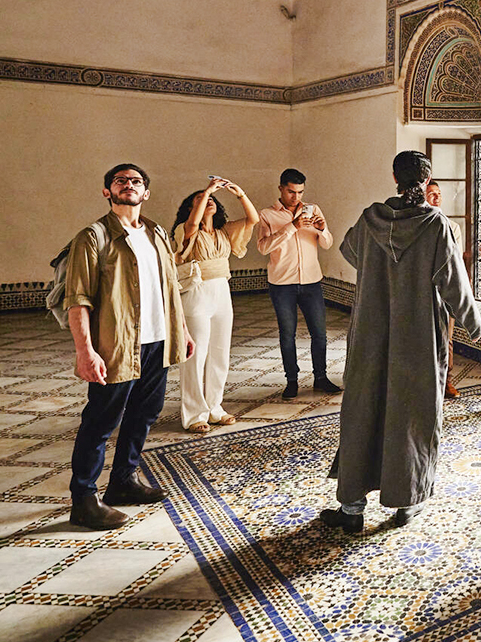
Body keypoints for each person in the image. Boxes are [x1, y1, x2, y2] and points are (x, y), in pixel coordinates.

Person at [322, 152, 481, 532]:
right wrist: (475, 326)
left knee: (363, 410)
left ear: (394, 177)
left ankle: (351, 510)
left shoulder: (369, 219)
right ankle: (406, 505)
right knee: (410, 416)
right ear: (427, 182)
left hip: (369, 336)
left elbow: (349, 252)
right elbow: (455, 286)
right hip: (417, 339)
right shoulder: (435, 226)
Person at [62, 164, 193, 530]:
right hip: (117, 345)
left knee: (144, 414)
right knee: (101, 421)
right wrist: (85, 351)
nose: (129, 185)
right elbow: (78, 300)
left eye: (136, 181)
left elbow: (170, 286)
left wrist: (180, 329)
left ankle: (123, 481)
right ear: (108, 191)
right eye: (120, 181)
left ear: (146, 193)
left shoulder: (156, 233)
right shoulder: (93, 237)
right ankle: (84, 499)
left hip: (158, 341)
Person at [173, 177, 260, 433]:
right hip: (196, 293)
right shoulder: (184, 229)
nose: (208, 199)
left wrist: (240, 193)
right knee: (195, 355)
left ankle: (214, 407)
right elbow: (191, 226)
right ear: (190, 208)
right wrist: (208, 189)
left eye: (211, 198)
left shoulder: (224, 232)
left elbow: (253, 220)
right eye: (199, 199)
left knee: (219, 353)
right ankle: (193, 414)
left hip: (222, 291)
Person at [256, 168, 340, 399]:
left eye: (300, 192)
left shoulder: (313, 210)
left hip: (312, 282)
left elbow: (327, 244)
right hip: (281, 284)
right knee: (287, 334)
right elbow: (263, 247)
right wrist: (292, 226)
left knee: (320, 334)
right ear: (281, 188)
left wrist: (322, 230)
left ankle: (320, 377)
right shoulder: (267, 214)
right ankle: (291, 381)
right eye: (292, 192)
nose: (296, 197)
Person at [426, 179, 462, 400]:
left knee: (446, 338)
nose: (436, 197)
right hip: (420, 292)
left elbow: (453, 260)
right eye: (431, 193)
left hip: (443, 292)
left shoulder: (452, 227)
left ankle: (447, 381)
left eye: (439, 193)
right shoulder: (414, 226)